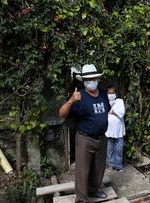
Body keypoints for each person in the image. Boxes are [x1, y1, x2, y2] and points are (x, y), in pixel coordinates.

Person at [59, 64, 110, 202]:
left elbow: (106, 110)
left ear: (97, 79)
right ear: (84, 81)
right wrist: (71, 100)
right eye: (88, 79)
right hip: (85, 139)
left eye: (93, 78)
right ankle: (81, 199)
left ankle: (93, 190)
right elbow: (62, 113)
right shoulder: (79, 97)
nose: (91, 81)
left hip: (102, 138)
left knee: (98, 169)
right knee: (83, 171)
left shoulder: (103, 93)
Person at [105, 85, 126, 172]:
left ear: (116, 93)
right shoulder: (105, 101)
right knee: (109, 149)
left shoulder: (119, 101)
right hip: (109, 130)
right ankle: (110, 165)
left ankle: (119, 166)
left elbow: (122, 112)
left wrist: (113, 111)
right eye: (109, 93)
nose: (111, 94)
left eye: (112, 93)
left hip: (119, 130)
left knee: (118, 149)